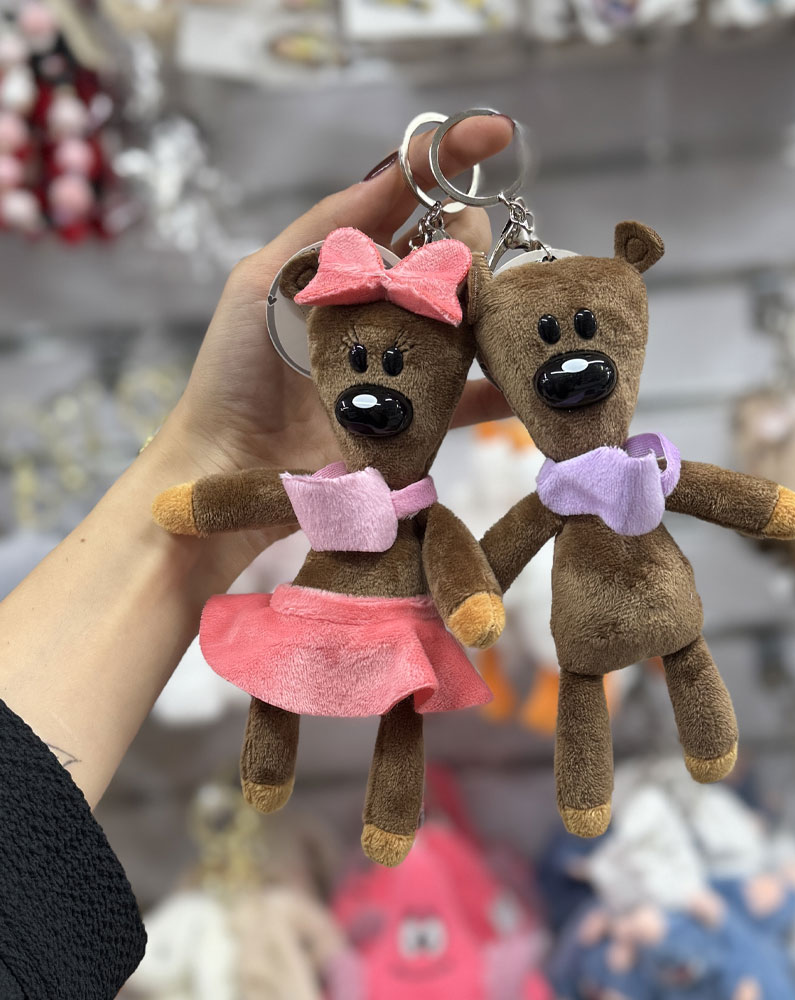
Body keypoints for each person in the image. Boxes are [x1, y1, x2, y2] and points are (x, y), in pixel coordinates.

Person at [0, 115, 514, 999]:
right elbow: (257, 496)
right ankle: (268, 773)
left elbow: (448, 548)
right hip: (317, 602)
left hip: (392, 614)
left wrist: (467, 598)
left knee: (403, 714)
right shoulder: (327, 483)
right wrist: (204, 486)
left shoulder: (411, 503)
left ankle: (395, 814)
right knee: (277, 685)